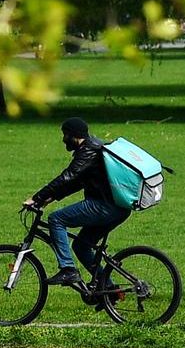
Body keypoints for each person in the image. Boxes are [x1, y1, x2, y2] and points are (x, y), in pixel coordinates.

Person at [23, 117, 131, 286]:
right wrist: (50, 198)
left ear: (74, 135)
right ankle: (107, 288)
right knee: (81, 247)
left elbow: (68, 176)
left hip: (104, 206)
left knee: (56, 219)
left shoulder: (88, 151)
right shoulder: (93, 147)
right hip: (118, 208)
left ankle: (68, 270)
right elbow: (76, 183)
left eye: (65, 134)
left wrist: (37, 197)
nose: (63, 139)